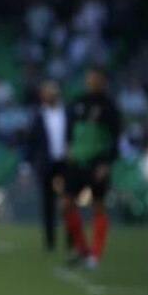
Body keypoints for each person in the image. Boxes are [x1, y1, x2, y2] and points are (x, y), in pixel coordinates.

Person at [63, 68, 121, 269]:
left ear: (103, 80)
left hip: (97, 162)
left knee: (98, 205)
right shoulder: (77, 103)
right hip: (77, 162)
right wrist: (68, 149)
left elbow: (115, 140)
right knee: (65, 203)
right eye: (89, 78)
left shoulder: (109, 107)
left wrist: (105, 163)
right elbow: (68, 132)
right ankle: (81, 247)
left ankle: (95, 254)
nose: (92, 81)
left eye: (96, 78)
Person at [22, 80, 70, 252]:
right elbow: (31, 142)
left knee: (68, 201)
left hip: (66, 163)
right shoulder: (38, 115)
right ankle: (50, 242)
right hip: (46, 164)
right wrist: (26, 166)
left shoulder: (68, 112)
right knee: (47, 204)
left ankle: (72, 241)